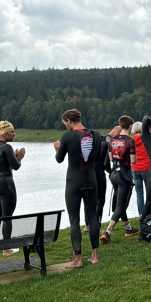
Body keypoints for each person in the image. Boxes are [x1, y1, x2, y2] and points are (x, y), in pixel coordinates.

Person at [54, 109, 101, 267]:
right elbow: (97, 156)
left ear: (68, 120)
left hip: (74, 180)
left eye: (65, 123)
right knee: (92, 217)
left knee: (74, 219)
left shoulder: (68, 136)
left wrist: (57, 147)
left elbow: (59, 159)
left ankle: (78, 259)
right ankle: (95, 256)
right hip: (92, 179)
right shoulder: (95, 134)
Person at [0, 120, 25, 256]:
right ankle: (6, 249)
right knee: (7, 216)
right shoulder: (6, 147)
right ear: (5, 133)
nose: (14, 134)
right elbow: (15, 166)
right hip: (6, 184)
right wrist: (19, 157)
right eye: (12, 132)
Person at [100, 115, 139, 243]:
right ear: (130, 126)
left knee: (119, 202)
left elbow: (110, 158)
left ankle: (128, 227)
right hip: (124, 174)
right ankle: (108, 232)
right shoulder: (130, 141)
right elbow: (133, 160)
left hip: (113, 174)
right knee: (121, 205)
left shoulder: (113, 139)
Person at [131, 121, 150, 216]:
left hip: (135, 168)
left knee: (139, 193)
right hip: (146, 167)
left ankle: (141, 214)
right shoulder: (146, 138)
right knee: (150, 190)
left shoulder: (131, 140)